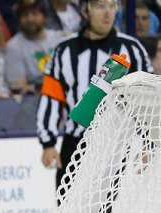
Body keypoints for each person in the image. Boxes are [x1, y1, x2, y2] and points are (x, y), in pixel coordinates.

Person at [38, 0, 153, 201]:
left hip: (115, 145)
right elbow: (52, 95)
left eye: (112, 6)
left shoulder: (132, 49)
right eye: (100, 6)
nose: (108, 13)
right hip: (75, 143)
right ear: (85, 11)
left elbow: (148, 100)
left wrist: (147, 142)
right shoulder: (64, 50)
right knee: (67, 210)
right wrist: (48, 143)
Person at [5, 0, 64, 96]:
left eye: (35, 14)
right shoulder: (13, 46)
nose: (30, 19)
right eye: (25, 15)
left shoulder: (59, 38)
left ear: (45, 17)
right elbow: (19, 88)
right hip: (34, 100)